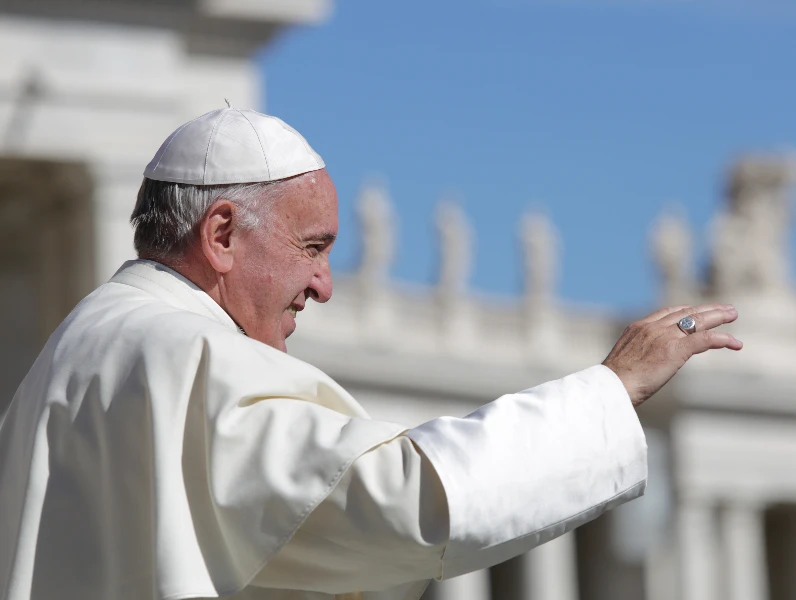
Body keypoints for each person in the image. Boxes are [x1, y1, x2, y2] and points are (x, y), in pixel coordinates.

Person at [0, 107, 742, 600]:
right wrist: (609, 392)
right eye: (311, 248)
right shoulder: (185, 354)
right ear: (221, 236)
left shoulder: (67, 361)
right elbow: (400, 499)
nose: (323, 285)